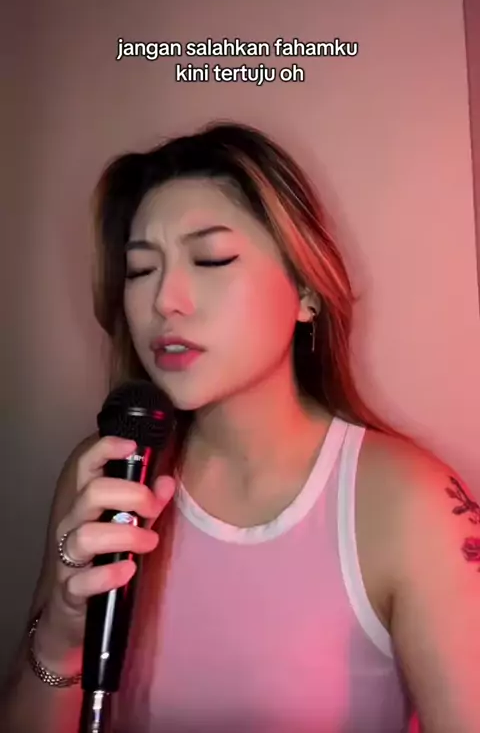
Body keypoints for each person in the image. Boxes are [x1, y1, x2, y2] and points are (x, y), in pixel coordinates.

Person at [2, 121, 479, 733]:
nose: (165, 300)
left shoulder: (413, 504)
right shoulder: (106, 473)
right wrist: (61, 638)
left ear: (306, 291)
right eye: (141, 269)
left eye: (211, 259)